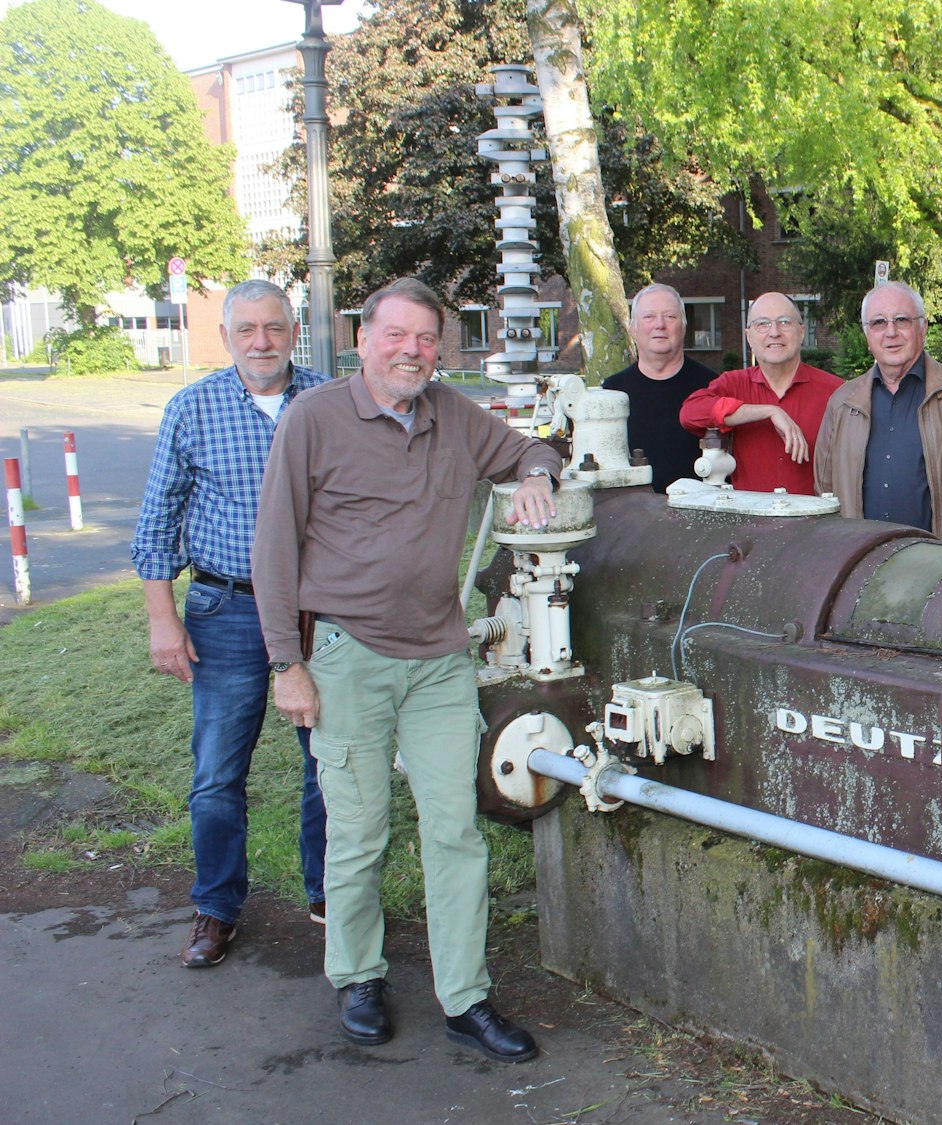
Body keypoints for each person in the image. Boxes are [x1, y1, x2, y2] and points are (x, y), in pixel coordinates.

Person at [252, 277, 561, 1063]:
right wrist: (286, 663)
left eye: (427, 339)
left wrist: (534, 476)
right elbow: (274, 549)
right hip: (347, 657)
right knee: (358, 832)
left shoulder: (454, 415)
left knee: (456, 830)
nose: (413, 351)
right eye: (398, 336)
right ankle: (358, 975)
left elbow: (532, 445)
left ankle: (466, 996)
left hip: (438, 662)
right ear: (364, 340)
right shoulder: (313, 419)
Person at [131, 279, 329, 969]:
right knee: (217, 771)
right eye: (247, 329)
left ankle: (331, 895)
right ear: (226, 336)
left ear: (293, 330)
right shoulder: (193, 408)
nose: (261, 342)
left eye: (273, 327)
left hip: (319, 612)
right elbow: (156, 523)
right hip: (228, 609)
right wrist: (162, 618)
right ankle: (215, 907)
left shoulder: (330, 400)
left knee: (329, 761)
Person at [814, 282, 942, 543]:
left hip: (941, 568)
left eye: (901, 320)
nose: (891, 332)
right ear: (867, 335)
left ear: (923, 327)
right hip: (861, 566)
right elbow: (825, 495)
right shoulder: (842, 403)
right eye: (879, 322)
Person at [679, 292, 843, 494]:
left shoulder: (835, 392)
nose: (774, 332)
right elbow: (690, 414)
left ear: (801, 332)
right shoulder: (734, 384)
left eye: (784, 322)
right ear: (749, 336)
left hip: (817, 522)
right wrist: (768, 411)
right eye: (762, 324)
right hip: (751, 522)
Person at [603, 283, 718, 490]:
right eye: (649, 317)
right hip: (630, 513)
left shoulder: (712, 387)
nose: (660, 325)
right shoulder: (612, 392)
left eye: (670, 317)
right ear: (633, 328)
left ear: (684, 326)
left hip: (700, 511)